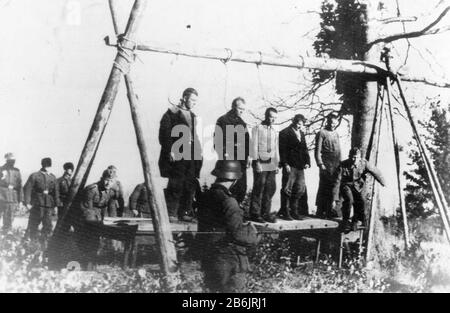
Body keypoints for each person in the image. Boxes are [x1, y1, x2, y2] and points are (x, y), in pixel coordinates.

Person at [197, 160, 260, 292]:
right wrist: (253, 235)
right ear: (235, 180)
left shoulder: (205, 196)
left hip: (208, 255)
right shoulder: (229, 201)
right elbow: (237, 234)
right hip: (228, 258)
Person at [158, 87, 203, 222]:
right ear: (184, 98)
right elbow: (164, 134)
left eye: (196, 101)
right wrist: (170, 149)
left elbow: (195, 136)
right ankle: (171, 212)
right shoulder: (171, 113)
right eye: (192, 100)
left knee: (190, 184)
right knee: (176, 183)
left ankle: (185, 212)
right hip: (177, 152)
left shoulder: (193, 116)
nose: (194, 103)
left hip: (191, 154)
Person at [73, 169, 117, 270]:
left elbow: (112, 206)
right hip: (84, 217)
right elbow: (87, 209)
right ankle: (84, 264)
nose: (108, 183)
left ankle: (91, 263)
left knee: (95, 241)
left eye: (111, 181)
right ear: (102, 179)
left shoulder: (111, 191)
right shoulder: (92, 189)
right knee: (86, 240)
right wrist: (95, 224)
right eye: (106, 180)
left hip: (97, 216)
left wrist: (113, 221)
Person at [337, 147, 386, 232]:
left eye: (356, 157)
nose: (354, 159)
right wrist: (335, 194)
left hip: (357, 186)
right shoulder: (343, 164)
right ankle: (345, 220)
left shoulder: (364, 163)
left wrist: (383, 182)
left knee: (360, 202)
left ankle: (355, 221)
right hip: (346, 185)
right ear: (349, 156)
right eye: (352, 157)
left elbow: (375, 171)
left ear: (359, 158)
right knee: (349, 200)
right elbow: (337, 179)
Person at [214, 97, 251, 205]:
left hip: (241, 159)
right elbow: (218, 139)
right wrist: (223, 153)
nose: (241, 111)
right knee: (225, 186)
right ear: (233, 107)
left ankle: (236, 211)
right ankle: (220, 211)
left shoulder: (242, 123)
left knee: (241, 187)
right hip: (228, 159)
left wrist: (248, 156)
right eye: (240, 108)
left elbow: (247, 141)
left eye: (243, 109)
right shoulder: (223, 120)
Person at [249, 108, 280, 223]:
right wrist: (256, 162)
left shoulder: (274, 130)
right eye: (271, 117)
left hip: (271, 162)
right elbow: (254, 146)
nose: (273, 120)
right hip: (261, 161)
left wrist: (277, 163)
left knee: (270, 187)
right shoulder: (258, 128)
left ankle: (265, 213)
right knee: (259, 187)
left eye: (275, 118)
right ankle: (255, 214)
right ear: (266, 116)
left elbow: (276, 147)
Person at [278, 114, 311, 220]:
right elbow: (282, 150)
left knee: (300, 188)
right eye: (297, 123)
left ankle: (294, 211)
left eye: (301, 124)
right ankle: (285, 211)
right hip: (290, 165)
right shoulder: (285, 132)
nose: (299, 126)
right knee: (287, 188)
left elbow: (305, 149)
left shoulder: (301, 133)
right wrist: (285, 164)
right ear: (293, 122)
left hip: (300, 165)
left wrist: (307, 161)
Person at [24, 157, 60, 246]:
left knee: (47, 223)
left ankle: (44, 241)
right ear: (42, 165)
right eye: (46, 165)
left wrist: (56, 205)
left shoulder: (52, 177)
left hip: (48, 204)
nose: (47, 168)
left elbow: (56, 192)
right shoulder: (35, 175)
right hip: (37, 202)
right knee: (34, 222)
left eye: (49, 166)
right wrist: (27, 203)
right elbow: (27, 189)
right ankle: (32, 241)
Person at [314, 113, 341, 219]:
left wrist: (341, 163)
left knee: (335, 187)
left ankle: (331, 210)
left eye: (335, 123)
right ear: (327, 121)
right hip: (326, 163)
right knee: (324, 187)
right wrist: (320, 164)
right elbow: (317, 151)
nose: (333, 125)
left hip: (336, 163)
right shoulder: (321, 133)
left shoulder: (336, 133)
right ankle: (320, 210)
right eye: (331, 123)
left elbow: (339, 150)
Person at [0, 153, 23, 232]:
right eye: (11, 160)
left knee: (9, 217)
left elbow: (20, 186)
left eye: (14, 160)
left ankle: (6, 235)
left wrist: (20, 200)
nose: (13, 162)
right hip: (1, 196)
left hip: (12, 198)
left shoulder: (17, 171)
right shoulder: (1, 169)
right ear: (7, 160)